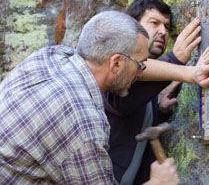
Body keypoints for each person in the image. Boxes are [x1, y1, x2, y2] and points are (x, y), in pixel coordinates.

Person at [0, 11, 181, 185]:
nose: (141, 73)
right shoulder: (84, 126)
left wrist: (186, 74)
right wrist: (158, 182)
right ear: (116, 63)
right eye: (140, 65)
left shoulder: (50, 55)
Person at [103, 0, 209, 184]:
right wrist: (176, 60)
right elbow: (121, 103)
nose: (163, 31)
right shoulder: (112, 67)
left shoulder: (149, 82)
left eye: (166, 26)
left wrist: (159, 111)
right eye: (154, 23)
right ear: (132, 27)